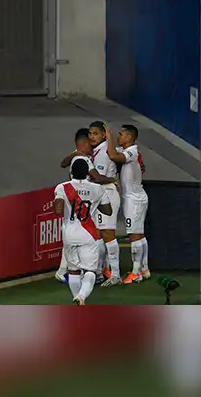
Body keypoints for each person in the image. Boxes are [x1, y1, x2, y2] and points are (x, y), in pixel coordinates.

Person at [52, 158, 111, 305]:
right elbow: (108, 211)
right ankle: (81, 297)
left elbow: (57, 210)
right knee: (90, 271)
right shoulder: (98, 189)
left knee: (73, 271)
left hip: (69, 234)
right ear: (87, 173)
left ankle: (78, 301)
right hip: (88, 234)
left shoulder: (62, 187)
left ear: (71, 172)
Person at [105, 124, 151, 283]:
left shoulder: (131, 152)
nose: (118, 136)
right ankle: (144, 268)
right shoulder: (131, 151)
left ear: (129, 137)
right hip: (137, 197)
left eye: (121, 134)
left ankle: (136, 272)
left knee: (134, 236)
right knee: (140, 234)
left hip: (134, 200)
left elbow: (112, 156)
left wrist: (108, 136)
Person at [55, 128, 94, 282]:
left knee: (72, 239)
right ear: (84, 144)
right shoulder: (82, 159)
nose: (92, 148)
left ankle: (68, 271)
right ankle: (65, 271)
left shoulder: (77, 156)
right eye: (90, 144)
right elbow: (95, 177)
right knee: (75, 239)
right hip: (78, 202)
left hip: (74, 202)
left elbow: (62, 163)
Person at [87, 120, 122, 286]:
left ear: (103, 134)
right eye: (90, 133)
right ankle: (100, 272)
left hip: (106, 194)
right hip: (102, 194)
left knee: (108, 234)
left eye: (96, 133)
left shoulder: (102, 153)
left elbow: (98, 178)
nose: (92, 137)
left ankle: (115, 275)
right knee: (99, 235)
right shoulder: (100, 150)